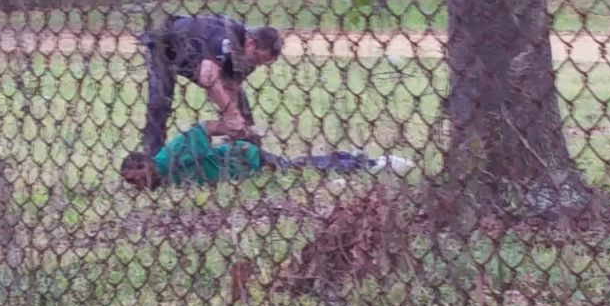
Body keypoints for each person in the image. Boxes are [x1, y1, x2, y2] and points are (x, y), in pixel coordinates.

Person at [121, 120, 415, 190]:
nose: (138, 186)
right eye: (133, 184)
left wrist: (236, 127)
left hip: (242, 158)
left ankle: (367, 163)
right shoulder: (162, 181)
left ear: (146, 163)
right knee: (297, 167)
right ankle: (351, 159)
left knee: (298, 169)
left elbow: (202, 129)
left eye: (138, 179)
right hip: (239, 170)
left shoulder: (168, 157)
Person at [138, 14, 283, 155]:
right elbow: (208, 78)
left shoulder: (249, 56)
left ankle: (247, 150)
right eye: (256, 58)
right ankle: (152, 156)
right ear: (250, 42)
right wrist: (231, 114)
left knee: (240, 104)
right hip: (165, 49)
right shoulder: (225, 38)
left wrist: (237, 120)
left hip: (196, 59)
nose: (254, 64)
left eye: (260, 63)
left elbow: (230, 87)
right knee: (160, 103)